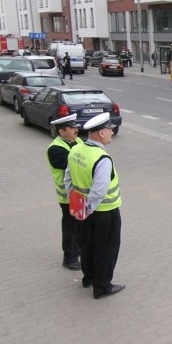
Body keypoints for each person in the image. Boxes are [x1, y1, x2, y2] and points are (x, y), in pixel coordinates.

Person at [65, 112, 125, 299]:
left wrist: (79, 207)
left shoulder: (76, 149)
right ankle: (102, 286)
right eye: (110, 130)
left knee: (87, 247)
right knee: (106, 249)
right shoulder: (102, 158)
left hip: (82, 211)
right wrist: (90, 209)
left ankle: (88, 278)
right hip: (104, 213)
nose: (112, 133)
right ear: (100, 133)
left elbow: (67, 179)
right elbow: (99, 191)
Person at [48, 114, 83, 271]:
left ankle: (80, 250)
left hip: (80, 194)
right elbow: (76, 167)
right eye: (72, 127)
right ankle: (69, 258)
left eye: (76, 127)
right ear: (62, 131)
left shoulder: (77, 141)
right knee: (71, 227)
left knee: (81, 225)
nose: (76, 130)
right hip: (68, 197)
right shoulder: (55, 149)